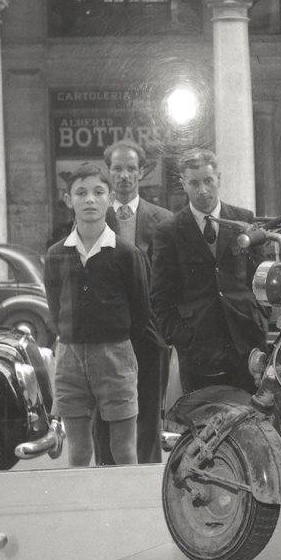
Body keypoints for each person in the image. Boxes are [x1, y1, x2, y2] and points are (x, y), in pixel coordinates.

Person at [45, 162, 150, 467]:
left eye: (98, 192)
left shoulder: (126, 254)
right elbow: (55, 307)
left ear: (109, 197)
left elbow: (141, 313)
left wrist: (116, 344)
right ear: (69, 200)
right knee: (78, 451)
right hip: (70, 358)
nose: (89, 199)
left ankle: (127, 510)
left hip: (115, 357)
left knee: (124, 449)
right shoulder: (56, 254)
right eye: (81, 193)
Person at [150, 147, 266, 395]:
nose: (202, 190)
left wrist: (260, 320)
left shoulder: (243, 219)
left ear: (219, 179)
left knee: (250, 418)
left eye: (208, 181)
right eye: (194, 183)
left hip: (245, 345)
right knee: (203, 421)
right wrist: (184, 339)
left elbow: (259, 277)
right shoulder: (168, 231)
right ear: (183, 184)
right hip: (198, 352)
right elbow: (159, 298)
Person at [90, 139, 173, 466]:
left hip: (148, 336)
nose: (124, 176)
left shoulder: (163, 220)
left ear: (142, 173)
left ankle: (148, 481)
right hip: (105, 337)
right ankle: (107, 478)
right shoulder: (92, 218)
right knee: (106, 412)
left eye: (131, 169)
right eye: (117, 169)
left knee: (148, 411)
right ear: (108, 173)